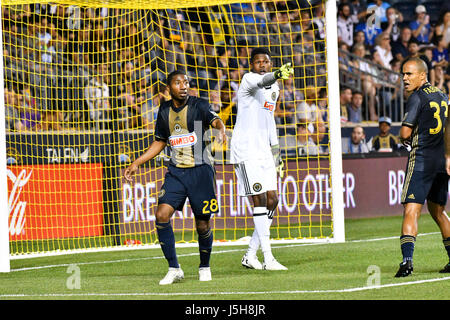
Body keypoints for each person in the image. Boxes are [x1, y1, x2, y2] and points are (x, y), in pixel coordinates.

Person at [124, 70, 227, 285]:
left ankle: (205, 266)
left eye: (186, 82)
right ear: (168, 88)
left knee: (202, 225)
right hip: (176, 172)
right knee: (161, 215)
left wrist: (221, 129)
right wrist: (136, 163)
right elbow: (160, 141)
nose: (183, 86)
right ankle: (174, 268)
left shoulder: (199, 105)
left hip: (201, 171)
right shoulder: (163, 111)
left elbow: (215, 119)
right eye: (178, 83)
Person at [230, 47, 293, 271]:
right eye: (258, 62)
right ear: (252, 65)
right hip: (245, 150)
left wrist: (276, 154)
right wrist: (275, 74)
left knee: (273, 200)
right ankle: (268, 258)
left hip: (264, 151)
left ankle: (250, 255)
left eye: (266, 62)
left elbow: (269, 120)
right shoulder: (248, 80)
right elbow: (263, 80)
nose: (263, 65)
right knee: (258, 201)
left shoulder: (274, 88)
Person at [396, 57, 450, 277]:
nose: (405, 79)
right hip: (440, 162)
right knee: (439, 212)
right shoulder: (442, 95)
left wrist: (402, 137)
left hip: (421, 160)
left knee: (411, 209)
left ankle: (407, 262)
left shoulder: (416, 97)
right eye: (403, 74)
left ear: (422, 75)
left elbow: (405, 133)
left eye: (409, 74)